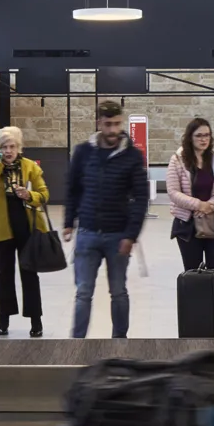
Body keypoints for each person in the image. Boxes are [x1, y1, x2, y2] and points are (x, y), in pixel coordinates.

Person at [63, 100, 149, 338]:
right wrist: (69, 222)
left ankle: (119, 341)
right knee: (83, 292)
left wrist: (131, 235)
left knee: (118, 292)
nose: (113, 130)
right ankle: (77, 343)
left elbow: (141, 198)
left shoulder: (132, 156)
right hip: (87, 234)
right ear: (99, 122)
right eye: (108, 124)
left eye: (118, 124)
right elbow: (73, 189)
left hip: (118, 236)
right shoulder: (82, 152)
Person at [0, 125, 47, 338]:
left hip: (27, 228)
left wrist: (30, 195)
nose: (9, 151)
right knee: (4, 276)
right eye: (4, 147)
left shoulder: (30, 167)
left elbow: (44, 194)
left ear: (19, 147)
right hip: (3, 231)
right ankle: (4, 319)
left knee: (30, 275)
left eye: (12, 146)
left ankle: (36, 321)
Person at [165, 117, 214, 272]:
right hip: (188, 226)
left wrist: (211, 205)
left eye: (207, 135)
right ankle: (195, 297)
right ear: (190, 137)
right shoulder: (177, 160)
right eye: (199, 135)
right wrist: (199, 205)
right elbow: (173, 192)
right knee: (193, 273)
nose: (203, 139)